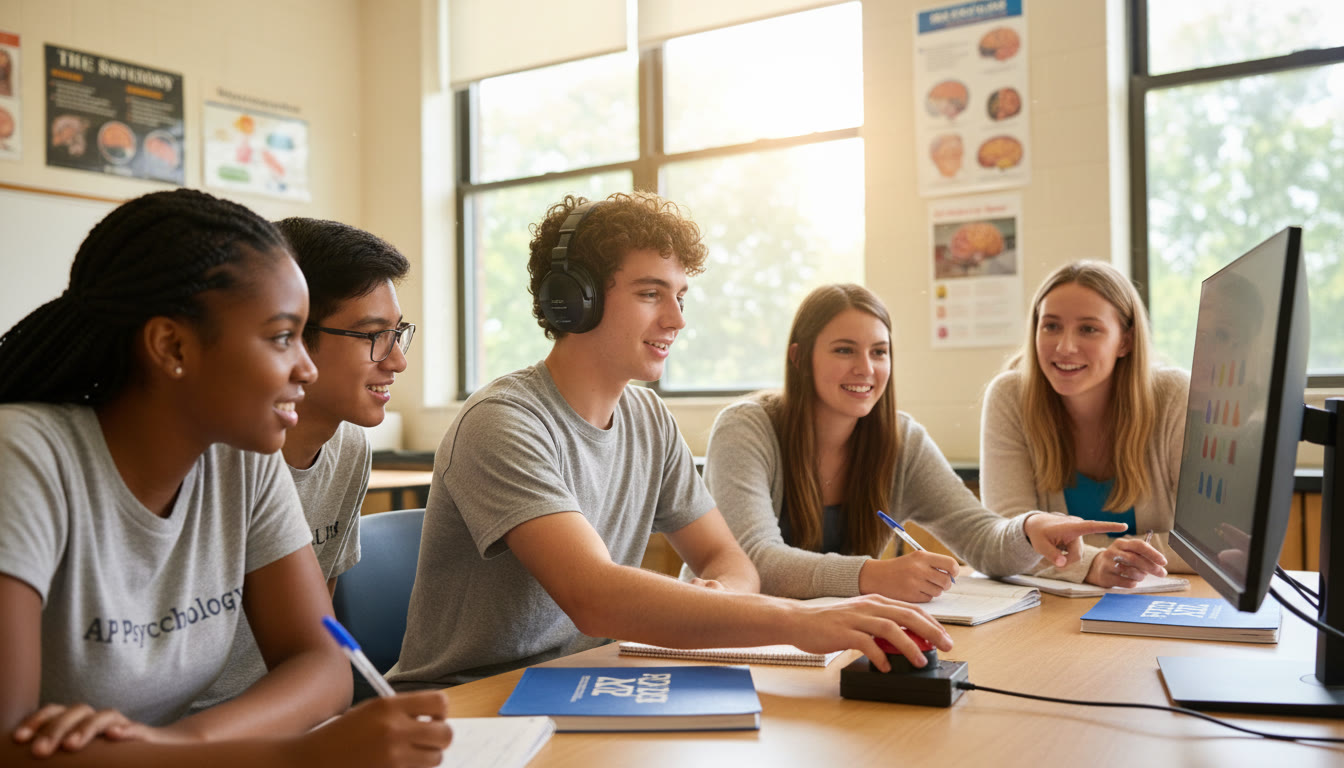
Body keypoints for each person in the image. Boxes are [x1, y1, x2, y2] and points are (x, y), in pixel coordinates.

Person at [388, 193, 953, 690]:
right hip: (469, 705)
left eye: (681, 294)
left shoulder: (647, 419)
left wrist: (722, 598)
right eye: (651, 293)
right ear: (574, 300)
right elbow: (595, 596)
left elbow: (726, 557)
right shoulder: (504, 421)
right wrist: (798, 621)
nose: (677, 319)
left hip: (589, 682)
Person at [0, 189, 451, 767]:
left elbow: (320, 663)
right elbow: (13, 748)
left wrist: (178, 747)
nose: (305, 367)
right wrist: (285, 757)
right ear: (173, 345)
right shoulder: (26, 459)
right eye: (282, 337)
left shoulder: (244, 459)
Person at [695, 283, 1129, 602]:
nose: (865, 368)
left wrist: (1029, 529)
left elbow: (980, 538)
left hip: (834, 641)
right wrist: (872, 576)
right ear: (798, 358)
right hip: (733, 642)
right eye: (844, 350)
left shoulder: (902, 441)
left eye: (879, 352)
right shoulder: (747, 428)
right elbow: (755, 560)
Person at [191, 218, 413, 712]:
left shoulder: (350, 447)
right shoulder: (212, 457)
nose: (397, 360)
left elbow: (320, 639)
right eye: (373, 336)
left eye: (399, 334)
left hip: (286, 714)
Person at [980, 260, 1191, 586]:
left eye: (1088, 329)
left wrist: (1104, 560)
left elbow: (1210, 548)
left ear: (1126, 341)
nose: (1065, 347)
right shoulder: (1010, 397)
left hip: (1159, 603)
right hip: (1049, 615)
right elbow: (1005, 542)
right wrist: (1094, 565)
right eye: (1051, 326)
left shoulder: (1174, 396)